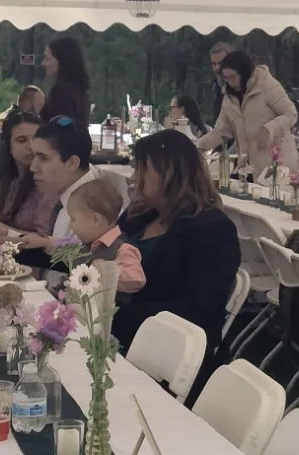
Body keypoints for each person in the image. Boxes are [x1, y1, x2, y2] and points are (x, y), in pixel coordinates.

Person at [117, 130, 242, 400]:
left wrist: (111, 313)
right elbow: (101, 252)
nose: (133, 178)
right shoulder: (139, 215)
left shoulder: (213, 230)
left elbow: (199, 312)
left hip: (169, 362)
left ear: (171, 172)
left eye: (142, 169)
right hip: (122, 339)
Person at [197, 49, 297, 170]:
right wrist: (198, 145)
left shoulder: (267, 84)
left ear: (244, 72)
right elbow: (220, 132)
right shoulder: (229, 98)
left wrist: (268, 129)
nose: (229, 82)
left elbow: (291, 114)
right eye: (226, 78)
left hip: (278, 165)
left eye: (233, 77)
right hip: (248, 168)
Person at [16, 113, 96, 249]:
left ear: (72, 163)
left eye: (43, 158)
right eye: (34, 156)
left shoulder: (94, 207)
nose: (33, 167)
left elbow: (83, 252)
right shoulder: (70, 194)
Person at [64, 174, 145, 293]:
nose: (71, 225)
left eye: (73, 219)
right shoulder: (88, 244)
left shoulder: (122, 247)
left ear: (95, 220)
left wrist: (105, 270)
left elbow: (136, 279)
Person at [0, 111, 57, 237]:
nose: (31, 146)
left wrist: (5, 231)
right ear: (8, 144)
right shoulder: (12, 181)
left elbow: (45, 241)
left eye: (36, 139)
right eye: (22, 140)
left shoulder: (47, 185)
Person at [40, 36, 92, 131]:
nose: (43, 63)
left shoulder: (61, 91)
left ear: (61, 61)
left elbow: (65, 123)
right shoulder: (80, 90)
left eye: (47, 59)